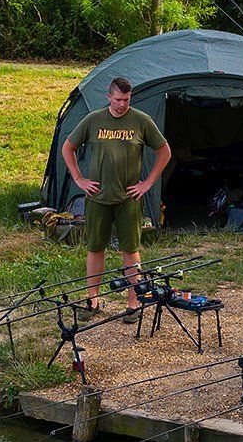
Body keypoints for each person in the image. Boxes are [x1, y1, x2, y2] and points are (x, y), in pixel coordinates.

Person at [61, 77, 172, 311]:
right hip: (98, 198)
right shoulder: (93, 120)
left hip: (128, 199)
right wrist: (79, 179)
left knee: (130, 250)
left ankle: (134, 302)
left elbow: (164, 151)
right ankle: (92, 300)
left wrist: (147, 183)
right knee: (95, 248)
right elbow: (68, 148)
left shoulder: (141, 121)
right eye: (119, 99)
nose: (123, 104)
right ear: (108, 97)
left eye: (127, 99)